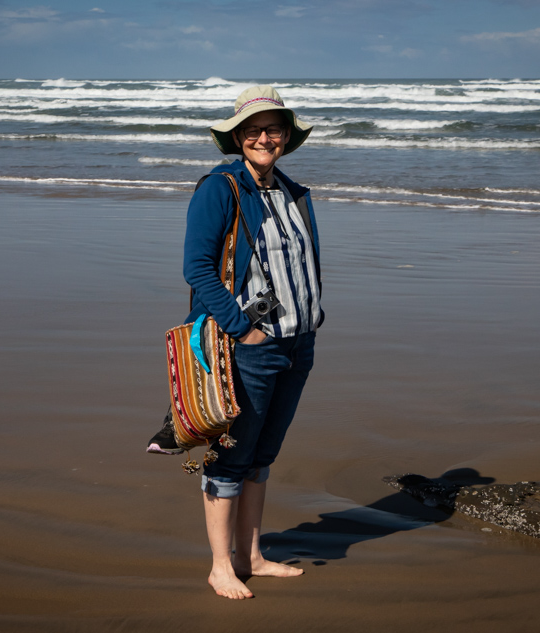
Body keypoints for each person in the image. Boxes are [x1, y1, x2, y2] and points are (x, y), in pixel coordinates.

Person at [148, 85, 323, 599]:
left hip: (297, 343)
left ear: (287, 137)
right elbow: (197, 268)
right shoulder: (219, 188)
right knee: (232, 455)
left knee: (263, 455)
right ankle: (220, 566)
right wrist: (240, 328)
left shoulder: (292, 190)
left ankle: (252, 556)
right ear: (238, 138)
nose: (264, 137)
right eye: (254, 129)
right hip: (248, 345)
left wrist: (309, 321)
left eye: (273, 129)